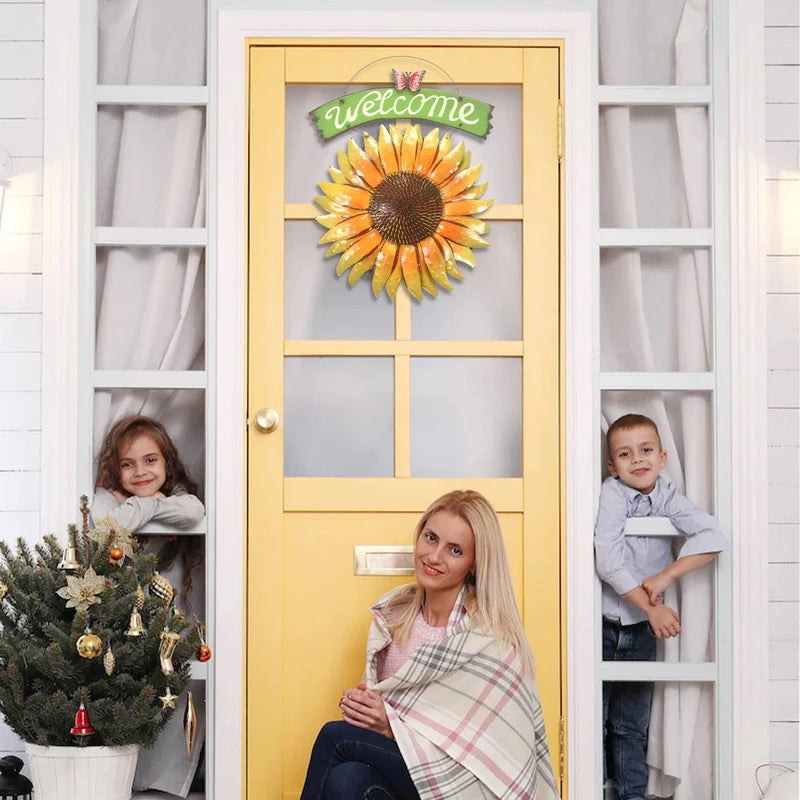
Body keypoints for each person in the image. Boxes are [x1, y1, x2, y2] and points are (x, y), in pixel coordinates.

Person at [299, 489, 560, 800]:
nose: (434, 557)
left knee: (335, 737)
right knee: (347, 779)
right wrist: (365, 709)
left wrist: (390, 726)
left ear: (474, 563)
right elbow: (397, 712)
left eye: (455, 550)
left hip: (462, 786)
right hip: (408, 777)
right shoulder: (392, 617)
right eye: (431, 538)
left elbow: (486, 754)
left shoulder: (490, 642)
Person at [594, 413, 728, 800]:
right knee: (595, 718)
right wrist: (651, 608)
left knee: (631, 724)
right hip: (604, 624)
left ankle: (631, 796)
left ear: (663, 457)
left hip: (640, 631)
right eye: (625, 454)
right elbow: (608, 562)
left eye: (646, 450)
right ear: (612, 466)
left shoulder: (667, 494)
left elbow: (713, 536)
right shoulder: (612, 493)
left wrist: (666, 576)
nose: (637, 459)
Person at [92, 414, 206, 797]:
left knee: (175, 687)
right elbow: (108, 524)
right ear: (115, 468)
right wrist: (151, 503)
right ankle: (124, 778)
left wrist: (143, 506)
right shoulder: (106, 495)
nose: (141, 471)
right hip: (121, 614)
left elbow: (192, 512)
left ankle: (166, 780)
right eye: (128, 463)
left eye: (150, 460)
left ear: (167, 462)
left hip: (168, 612)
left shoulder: (178, 495)